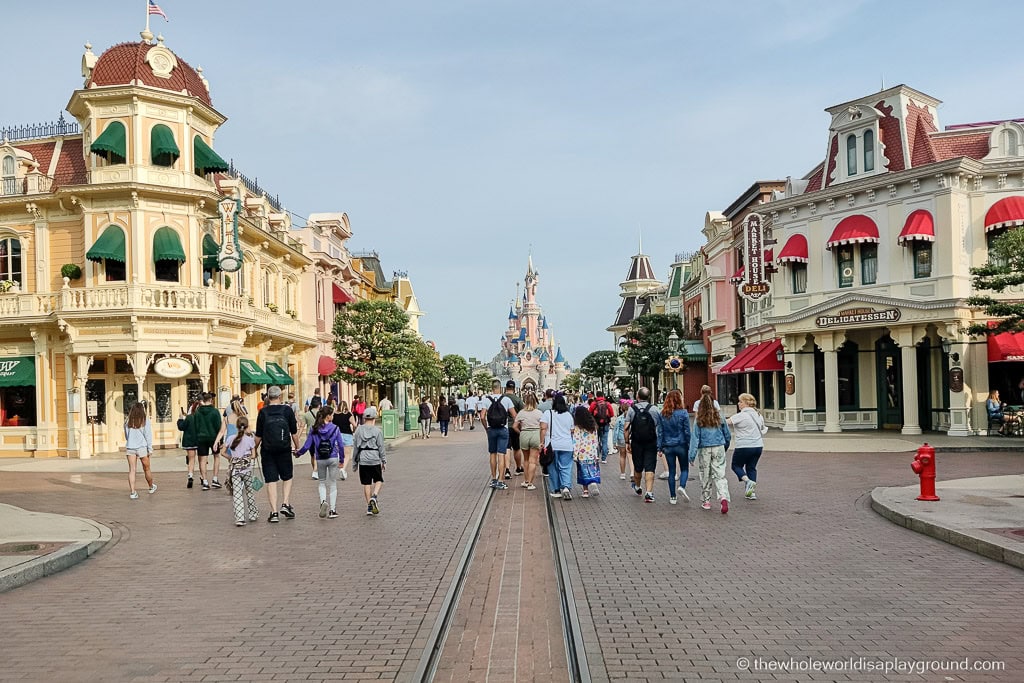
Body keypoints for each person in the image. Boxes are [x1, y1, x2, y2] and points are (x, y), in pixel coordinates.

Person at [254, 385, 301, 523]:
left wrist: (253, 450)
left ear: (268, 397)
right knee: (287, 477)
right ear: (280, 397)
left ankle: (274, 512)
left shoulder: (263, 412)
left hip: (267, 451)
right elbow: (294, 433)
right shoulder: (287, 410)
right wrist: (297, 447)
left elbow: (258, 435)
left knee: (271, 480)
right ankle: (285, 503)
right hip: (284, 449)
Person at [296, 406, 346, 519]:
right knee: (333, 483)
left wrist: (298, 453)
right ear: (328, 416)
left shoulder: (314, 429)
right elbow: (341, 445)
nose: (333, 416)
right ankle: (332, 510)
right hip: (333, 457)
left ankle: (323, 501)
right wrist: (342, 460)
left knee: (322, 482)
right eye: (332, 414)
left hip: (320, 458)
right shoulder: (335, 428)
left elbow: (307, 445)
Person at [689, 385, 732, 514]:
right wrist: (725, 445)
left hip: (704, 448)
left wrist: (691, 455)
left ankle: (706, 501)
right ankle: (723, 497)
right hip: (718, 445)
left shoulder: (699, 418)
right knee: (720, 474)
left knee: (705, 474)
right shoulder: (719, 416)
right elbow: (727, 434)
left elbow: (695, 437)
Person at [624, 387, 662, 503]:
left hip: (636, 442)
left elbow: (626, 428)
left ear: (637, 397)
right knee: (650, 466)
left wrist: (627, 442)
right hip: (651, 442)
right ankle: (649, 493)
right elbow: (659, 427)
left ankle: (637, 486)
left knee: (638, 466)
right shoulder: (655, 409)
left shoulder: (632, 410)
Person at [728, 393, 768, 500]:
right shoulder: (759, 415)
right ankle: (751, 492)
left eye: (740, 401)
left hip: (744, 446)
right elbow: (763, 429)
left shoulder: (741, 415)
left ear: (746, 403)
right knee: (751, 467)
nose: (738, 404)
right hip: (758, 446)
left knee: (736, 466)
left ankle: (747, 481)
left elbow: (725, 422)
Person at [480, 380, 517, 490]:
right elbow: (515, 415)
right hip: (503, 429)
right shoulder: (506, 399)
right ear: (500, 388)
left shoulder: (486, 400)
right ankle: (501, 481)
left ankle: (493, 479)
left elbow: (482, 416)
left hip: (492, 429)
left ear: (492, 388)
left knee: (492, 454)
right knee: (501, 454)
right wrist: (515, 426)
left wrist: (486, 428)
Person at [223, 415, 259, 526]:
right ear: (247, 426)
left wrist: (231, 458)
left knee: (237, 494)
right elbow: (253, 455)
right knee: (249, 492)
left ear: (236, 426)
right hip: (247, 469)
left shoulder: (230, 439)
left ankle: (240, 518)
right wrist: (246, 458)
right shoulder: (250, 440)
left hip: (235, 470)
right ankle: (253, 514)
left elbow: (222, 452)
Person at [658, 389, 691, 505]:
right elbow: (687, 431)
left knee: (671, 471)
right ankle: (682, 486)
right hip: (681, 444)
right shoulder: (683, 413)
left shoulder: (663, 414)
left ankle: (673, 497)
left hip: (668, 445)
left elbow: (660, 432)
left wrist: (660, 447)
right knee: (684, 468)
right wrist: (689, 444)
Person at [540, 394, 575, 499]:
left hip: (552, 445)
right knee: (566, 467)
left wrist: (541, 442)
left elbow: (543, 428)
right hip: (567, 445)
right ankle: (566, 487)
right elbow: (572, 430)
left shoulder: (548, 413)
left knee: (553, 467)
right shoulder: (568, 415)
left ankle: (556, 490)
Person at [353, 407, 386, 515]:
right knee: (378, 480)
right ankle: (374, 496)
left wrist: (354, 462)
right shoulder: (377, 431)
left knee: (366, 483)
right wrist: (383, 460)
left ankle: (369, 507)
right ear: (374, 418)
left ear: (363, 418)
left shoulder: (359, 430)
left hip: (363, 458)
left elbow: (356, 447)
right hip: (374, 457)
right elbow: (381, 447)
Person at [124, 401, 155, 500]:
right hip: (142, 447)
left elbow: (126, 435)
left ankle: (133, 492)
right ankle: (151, 486)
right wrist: (150, 449)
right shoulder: (144, 420)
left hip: (130, 447)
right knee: (147, 468)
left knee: (132, 470)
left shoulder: (127, 421)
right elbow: (148, 435)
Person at [513, 390, 543, 490]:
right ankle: (530, 483)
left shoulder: (521, 413)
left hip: (524, 434)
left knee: (525, 459)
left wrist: (520, 432)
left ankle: (526, 481)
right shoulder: (539, 413)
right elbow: (543, 426)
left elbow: (514, 426)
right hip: (535, 434)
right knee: (533, 461)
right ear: (535, 402)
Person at [194, 392, 223, 491]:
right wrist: (220, 440)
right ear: (210, 400)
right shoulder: (214, 411)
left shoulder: (197, 411)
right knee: (216, 456)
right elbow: (219, 426)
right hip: (213, 437)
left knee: (202, 459)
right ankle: (215, 479)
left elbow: (196, 426)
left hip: (201, 437)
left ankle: (205, 481)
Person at [572, 404, 601, 498]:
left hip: (582, 452)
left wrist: (575, 454)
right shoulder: (593, 426)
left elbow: (576, 441)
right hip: (592, 452)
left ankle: (585, 491)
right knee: (592, 469)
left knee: (583, 471)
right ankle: (593, 482)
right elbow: (596, 440)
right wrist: (596, 452)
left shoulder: (578, 427)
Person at [504, 380, 526, 478]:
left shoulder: (502, 399)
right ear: (514, 388)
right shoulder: (518, 400)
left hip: (504, 426)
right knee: (516, 448)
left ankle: (507, 470)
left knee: (507, 448)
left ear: (506, 387)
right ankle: (518, 467)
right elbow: (522, 414)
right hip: (515, 427)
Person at [178, 400, 200, 489]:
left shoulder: (189, 417)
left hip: (189, 441)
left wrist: (180, 419)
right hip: (200, 440)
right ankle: (203, 477)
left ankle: (190, 475)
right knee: (202, 460)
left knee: (191, 459)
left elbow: (181, 427)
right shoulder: (201, 418)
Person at [332, 401, 355, 480]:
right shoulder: (349, 414)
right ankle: (343, 469)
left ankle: (339, 463)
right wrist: (354, 430)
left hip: (337, 435)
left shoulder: (334, 414)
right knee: (347, 454)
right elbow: (354, 425)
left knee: (338, 452)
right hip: (347, 435)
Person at [589, 391, 613, 464]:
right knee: (604, 441)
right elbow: (612, 414)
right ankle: (604, 458)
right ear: (603, 395)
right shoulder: (607, 404)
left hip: (596, 425)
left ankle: (596, 456)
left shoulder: (594, 404)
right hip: (605, 424)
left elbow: (589, 412)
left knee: (596, 440)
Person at [300, 400, 319, 479]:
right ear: (318, 405)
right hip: (319, 435)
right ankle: (315, 470)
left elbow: (302, 426)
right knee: (317, 454)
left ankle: (314, 470)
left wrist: (298, 435)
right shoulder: (320, 413)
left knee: (312, 454)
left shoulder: (306, 414)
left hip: (309, 435)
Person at [612, 402, 630, 480]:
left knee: (622, 456)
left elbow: (616, 431)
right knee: (631, 456)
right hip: (630, 438)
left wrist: (614, 442)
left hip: (621, 438)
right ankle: (632, 472)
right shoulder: (632, 417)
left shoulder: (619, 418)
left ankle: (623, 473)